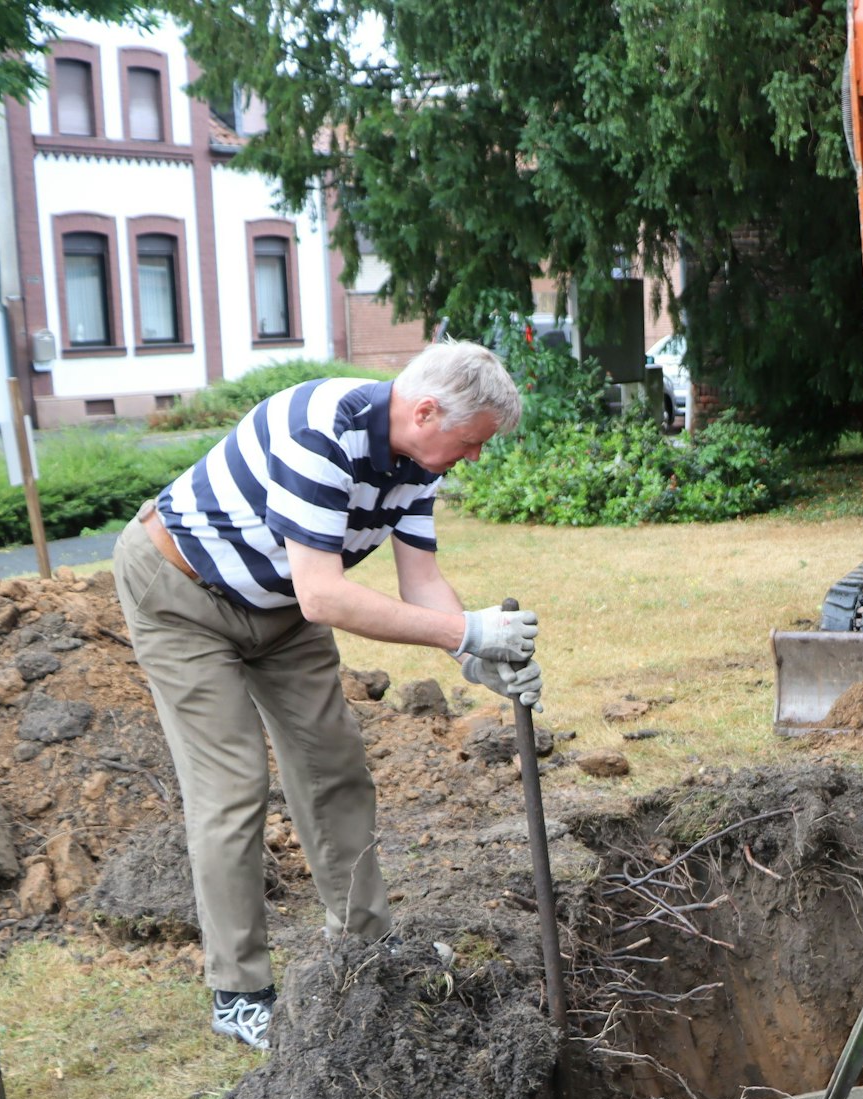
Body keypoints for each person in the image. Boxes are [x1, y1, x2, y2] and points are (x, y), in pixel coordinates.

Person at [112, 340, 545, 1049]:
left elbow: (422, 582)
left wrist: (473, 652)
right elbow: (324, 594)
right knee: (232, 784)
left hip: (279, 605)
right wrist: (467, 630)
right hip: (181, 593)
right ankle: (239, 991)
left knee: (334, 765)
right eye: (471, 443)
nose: (473, 458)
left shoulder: (416, 461)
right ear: (427, 410)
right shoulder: (321, 430)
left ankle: (365, 944)